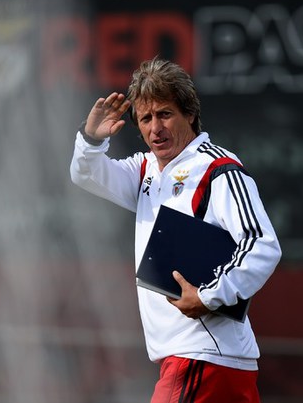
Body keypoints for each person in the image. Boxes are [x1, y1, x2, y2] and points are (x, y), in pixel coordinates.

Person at [70, 57, 281, 403]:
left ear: (190, 114)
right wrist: (91, 140)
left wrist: (209, 296)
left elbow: (262, 244)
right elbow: (86, 175)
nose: (156, 128)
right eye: (146, 119)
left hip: (202, 357)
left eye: (165, 114)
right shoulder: (146, 170)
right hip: (200, 359)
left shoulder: (218, 168)